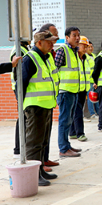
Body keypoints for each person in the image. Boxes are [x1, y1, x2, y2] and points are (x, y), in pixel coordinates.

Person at [21, 31, 59, 186]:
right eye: (48, 42)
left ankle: (40, 169)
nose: (52, 44)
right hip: (35, 106)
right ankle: (33, 175)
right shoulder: (30, 59)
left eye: (53, 41)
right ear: (39, 43)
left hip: (46, 104)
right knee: (34, 142)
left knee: (43, 142)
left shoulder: (46, 57)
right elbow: (21, 84)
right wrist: (22, 106)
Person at [55, 27, 83, 158]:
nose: (77, 38)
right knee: (64, 120)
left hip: (73, 90)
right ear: (67, 37)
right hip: (65, 91)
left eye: (78, 35)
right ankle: (63, 149)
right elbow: (54, 70)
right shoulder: (62, 51)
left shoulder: (74, 52)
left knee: (69, 120)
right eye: (74, 35)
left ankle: (67, 145)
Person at [38, 23, 60, 169]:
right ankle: (38, 165)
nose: (54, 40)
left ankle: (45, 159)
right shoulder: (34, 56)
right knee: (37, 138)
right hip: (37, 102)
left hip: (49, 100)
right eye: (52, 36)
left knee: (46, 135)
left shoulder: (50, 54)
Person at [69, 36, 92, 142]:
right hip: (76, 88)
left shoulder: (86, 58)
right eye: (84, 45)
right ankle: (80, 133)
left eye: (86, 46)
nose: (86, 47)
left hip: (83, 88)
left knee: (76, 110)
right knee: (78, 111)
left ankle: (73, 132)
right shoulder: (75, 58)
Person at [10, 40, 29, 160]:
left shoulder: (24, 48)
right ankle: (18, 149)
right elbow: (17, 71)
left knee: (24, 117)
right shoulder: (19, 49)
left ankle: (20, 147)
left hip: (21, 88)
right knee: (22, 118)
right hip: (20, 88)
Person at [86, 41, 99, 119]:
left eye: (91, 46)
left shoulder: (94, 56)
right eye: (89, 47)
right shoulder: (85, 57)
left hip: (95, 81)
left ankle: (98, 112)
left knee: (96, 97)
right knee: (90, 97)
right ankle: (92, 114)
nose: (90, 48)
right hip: (89, 81)